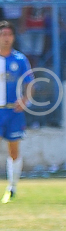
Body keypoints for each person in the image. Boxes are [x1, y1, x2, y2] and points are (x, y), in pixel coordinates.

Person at [0, 22, 33, 203]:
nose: (6, 38)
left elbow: (30, 83)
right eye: (3, 34)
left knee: (14, 151)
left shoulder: (19, 60)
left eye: (9, 35)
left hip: (13, 111)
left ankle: (12, 187)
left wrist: (25, 100)